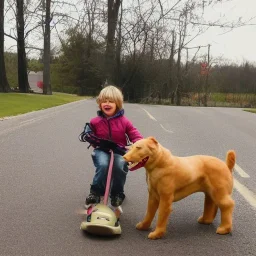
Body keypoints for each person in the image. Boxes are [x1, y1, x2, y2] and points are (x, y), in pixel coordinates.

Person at [84, 85, 143, 207]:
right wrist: (88, 135)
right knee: (103, 164)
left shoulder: (124, 121)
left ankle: (117, 193)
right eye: (104, 101)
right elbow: (88, 133)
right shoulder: (95, 121)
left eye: (111, 101)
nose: (107, 104)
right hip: (101, 150)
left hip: (119, 151)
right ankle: (95, 192)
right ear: (100, 104)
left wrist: (138, 143)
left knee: (120, 165)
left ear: (118, 104)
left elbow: (135, 134)